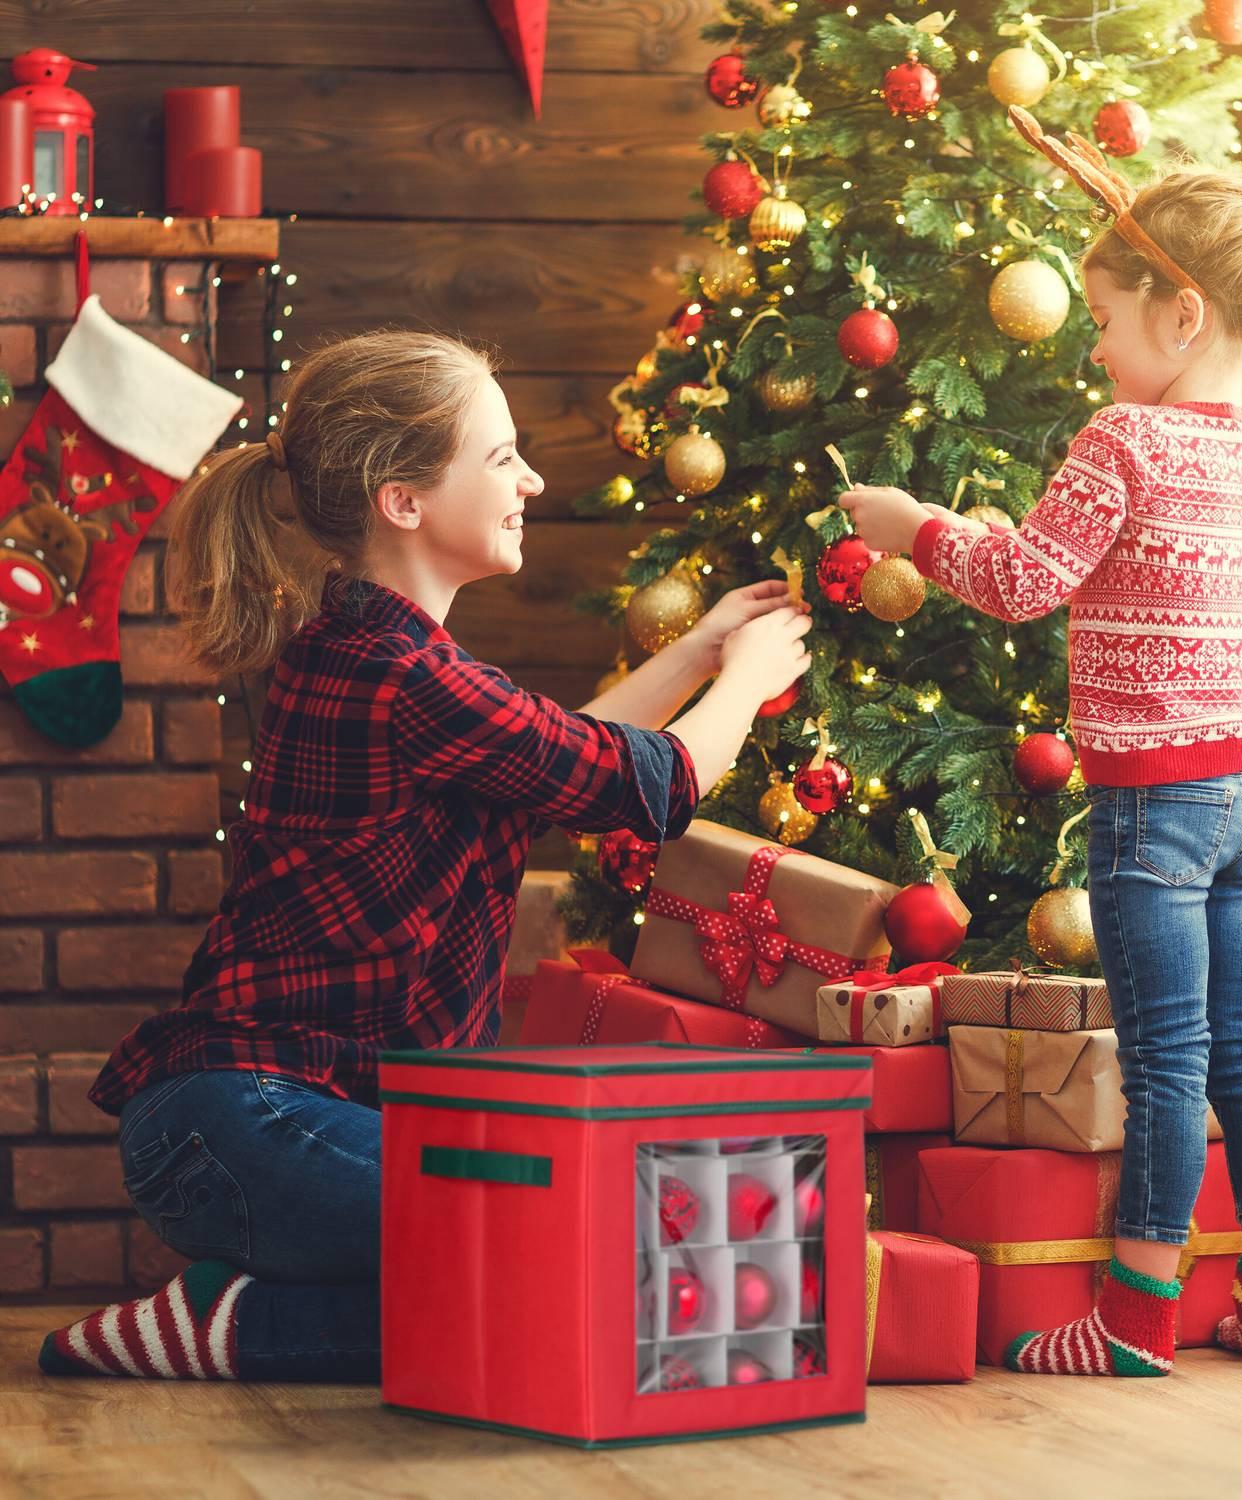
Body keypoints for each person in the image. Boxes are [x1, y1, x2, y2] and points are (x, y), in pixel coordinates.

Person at [39, 330, 811, 1382]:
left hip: (257, 1121)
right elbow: (651, 786)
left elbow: (561, 756)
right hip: (245, 1124)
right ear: (403, 500)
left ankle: (245, 1306)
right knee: (590, 1263)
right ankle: (228, 1329)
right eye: (501, 459)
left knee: (597, 1268)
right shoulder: (405, 678)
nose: (532, 479)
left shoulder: (392, 660)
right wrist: (751, 678)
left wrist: (693, 651)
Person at [839, 158, 1242, 1377]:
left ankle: (1133, 1318)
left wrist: (911, 528)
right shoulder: (1239, 443)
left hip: (1155, 803)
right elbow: (1127, 577)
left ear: (1180, 316)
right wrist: (999, 538)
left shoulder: (1123, 435)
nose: (1093, 351)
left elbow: (1028, 584)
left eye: (1104, 322)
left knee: (1167, 1060)